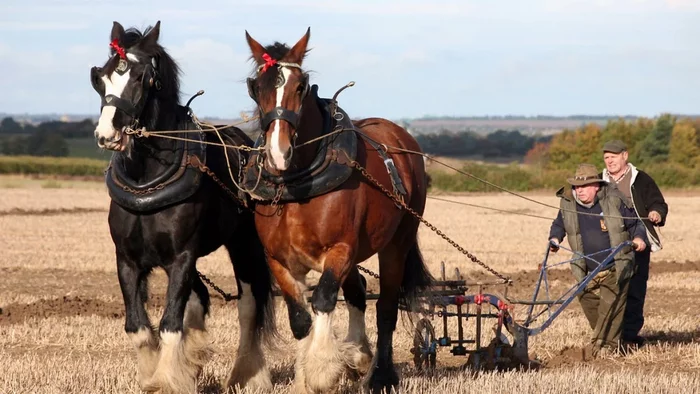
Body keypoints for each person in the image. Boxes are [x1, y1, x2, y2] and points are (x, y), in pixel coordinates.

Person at [548, 163, 648, 357]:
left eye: (584, 186)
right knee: (587, 300)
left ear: (596, 186)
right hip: (586, 267)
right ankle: (611, 340)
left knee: (610, 304)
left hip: (616, 264)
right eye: (577, 187)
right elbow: (559, 224)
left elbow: (636, 223)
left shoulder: (614, 200)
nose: (580, 191)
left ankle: (607, 348)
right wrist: (554, 239)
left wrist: (638, 238)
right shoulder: (568, 203)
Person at [600, 139, 669, 347]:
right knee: (610, 289)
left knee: (635, 290)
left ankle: (628, 337)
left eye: (613, 156)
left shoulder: (641, 180)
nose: (609, 161)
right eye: (606, 158)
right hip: (607, 244)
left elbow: (658, 202)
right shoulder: (598, 182)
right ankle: (609, 335)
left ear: (625, 156)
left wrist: (656, 212)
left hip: (638, 241)